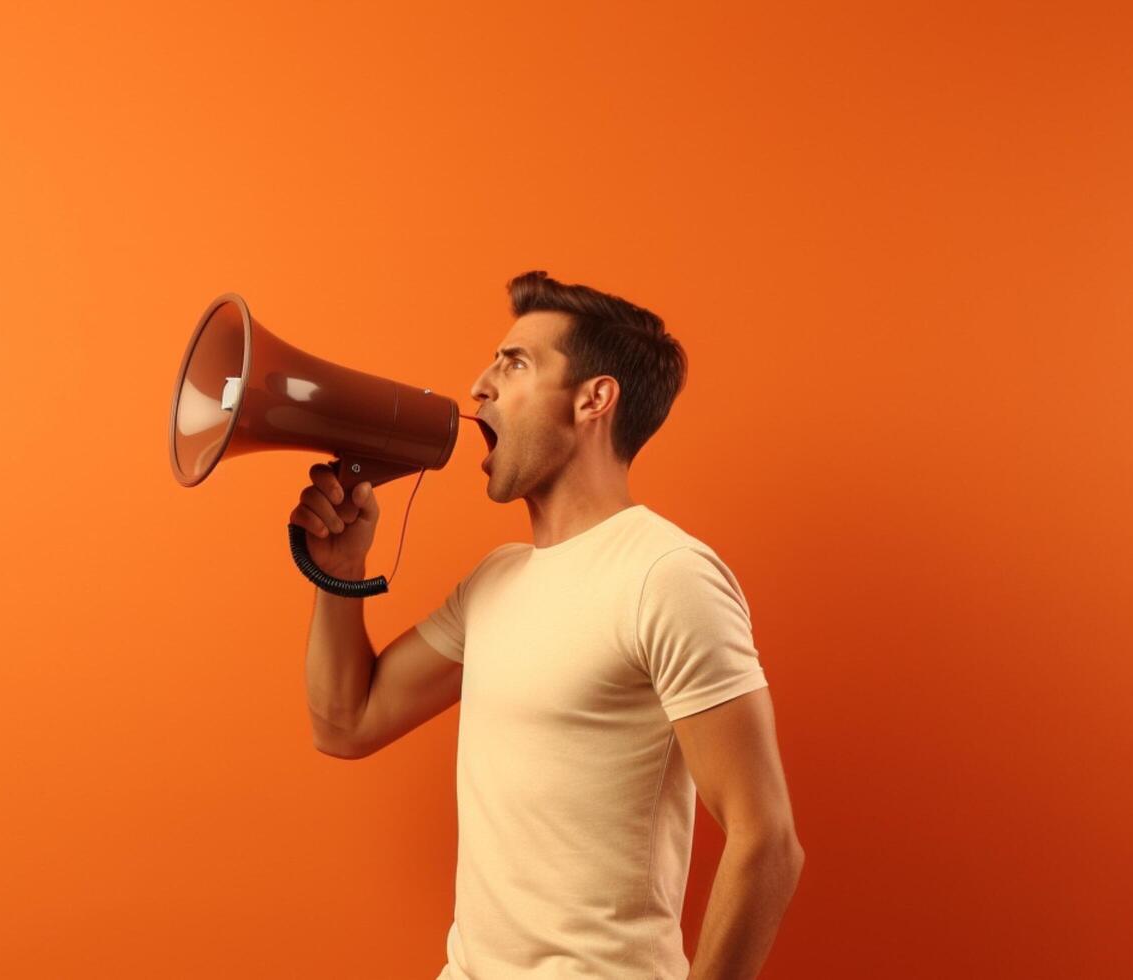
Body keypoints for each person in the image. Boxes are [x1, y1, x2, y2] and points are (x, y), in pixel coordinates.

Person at [298, 270, 804, 979]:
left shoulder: (666, 574)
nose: (479, 385)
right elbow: (344, 724)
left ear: (594, 399)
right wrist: (340, 572)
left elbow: (767, 841)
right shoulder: (496, 579)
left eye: (515, 363)